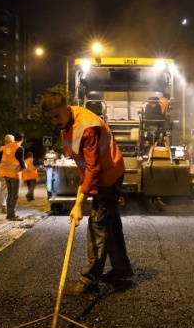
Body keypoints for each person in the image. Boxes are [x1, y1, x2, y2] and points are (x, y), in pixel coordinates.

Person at [41, 90, 133, 295]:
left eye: (57, 116)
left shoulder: (87, 127)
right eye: (50, 118)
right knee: (111, 222)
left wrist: (78, 203)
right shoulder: (68, 123)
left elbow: (93, 168)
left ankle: (89, 281)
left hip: (108, 175)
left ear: (67, 108)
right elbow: (84, 163)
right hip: (106, 172)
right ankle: (121, 268)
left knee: (98, 225)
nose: (54, 121)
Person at [0, 131, 26, 221]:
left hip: (6, 174)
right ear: (22, 139)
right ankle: (11, 215)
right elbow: (21, 162)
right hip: (14, 174)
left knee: (10, 194)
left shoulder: (6, 147)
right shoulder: (19, 148)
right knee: (14, 195)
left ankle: (9, 214)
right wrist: (25, 166)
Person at [0, 134, 14, 212]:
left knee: (6, 190)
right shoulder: (6, 149)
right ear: (9, 141)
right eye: (13, 141)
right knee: (4, 190)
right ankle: (3, 207)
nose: (14, 142)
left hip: (4, 172)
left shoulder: (2, 149)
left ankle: (5, 206)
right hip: (4, 172)